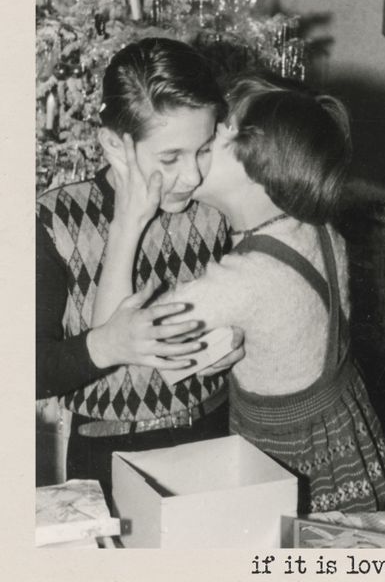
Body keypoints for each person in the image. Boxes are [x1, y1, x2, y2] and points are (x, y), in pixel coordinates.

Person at [93, 74, 385, 513]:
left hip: (297, 465)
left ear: (257, 166)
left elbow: (113, 334)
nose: (204, 140)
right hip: (350, 435)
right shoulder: (313, 228)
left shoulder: (245, 280)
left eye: (217, 135)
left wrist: (127, 221)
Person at [36, 37, 244, 503]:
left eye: (203, 149)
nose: (192, 176)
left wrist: (236, 342)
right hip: (108, 453)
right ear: (114, 144)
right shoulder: (54, 220)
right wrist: (104, 345)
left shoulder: (214, 206)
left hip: (212, 434)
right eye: (170, 158)